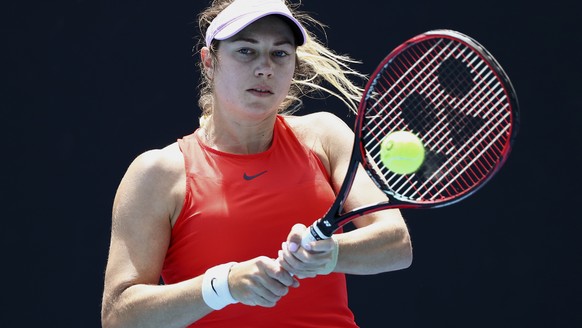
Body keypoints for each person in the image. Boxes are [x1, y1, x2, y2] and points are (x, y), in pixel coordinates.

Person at [101, 0, 412, 327]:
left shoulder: (325, 135)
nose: (265, 67)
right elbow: (119, 317)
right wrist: (223, 285)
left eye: (280, 53)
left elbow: (396, 244)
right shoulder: (158, 173)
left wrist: (330, 253)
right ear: (209, 61)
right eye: (246, 51)